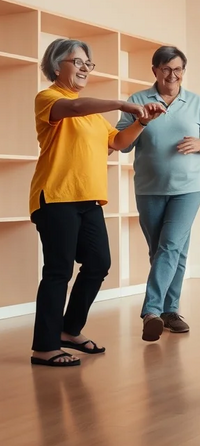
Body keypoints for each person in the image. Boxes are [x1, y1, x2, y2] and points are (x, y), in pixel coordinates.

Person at [29, 38, 164, 367]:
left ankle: (68, 330)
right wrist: (122, 104)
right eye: (78, 62)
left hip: (89, 200)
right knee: (58, 271)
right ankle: (44, 347)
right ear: (57, 64)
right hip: (57, 196)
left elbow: (117, 142)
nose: (85, 69)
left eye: (89, 64)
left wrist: (142, 121)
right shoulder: (50, 98)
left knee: (99, 264)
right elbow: (73, 108)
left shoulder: (91, 114)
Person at [117, 46, 200, 342]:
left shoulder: (196, 102)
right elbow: (122, 144)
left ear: (184, 71)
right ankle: (170, 310)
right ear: (155, 71)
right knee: (164, 250)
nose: (172, 75)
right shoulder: (137, 100)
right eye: (165, 69)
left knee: (170, 246)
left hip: (188, 189)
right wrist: (142, 120)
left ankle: (151, 310)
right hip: (149, 188)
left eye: (178, 69)